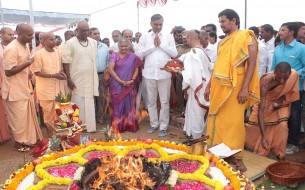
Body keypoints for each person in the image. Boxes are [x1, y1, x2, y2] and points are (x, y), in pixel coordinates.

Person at [204, 9, 259, 172]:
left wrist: (244, 89)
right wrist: (208, 85)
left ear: (234, 20)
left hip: (236, 86)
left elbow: (253, 64)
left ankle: (238, 159)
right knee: (218, 121)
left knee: (234, 124)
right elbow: (218, 65)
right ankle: (221, 155)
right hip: (218, 86)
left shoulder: (247, 37)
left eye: (223, 21)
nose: (220, 24)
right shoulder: (222, 42)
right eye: (219, 21)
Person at [2, 23, 43, 151]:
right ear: (18, 34)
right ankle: (19, 144)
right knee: (18, 119)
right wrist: (28, 63)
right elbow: (8, 71)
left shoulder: (25, 45)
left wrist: (29, 72)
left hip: (24, 88)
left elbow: (24, 64)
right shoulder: (11, 49)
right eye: (29, 35)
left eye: (32, 34)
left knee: (25, 118)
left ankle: (28, 141)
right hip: (13, 90)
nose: (32, 37)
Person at [246, 62, 299, 159]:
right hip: (265, 103)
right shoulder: (265, 82)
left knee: (282, 126)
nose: (282, 81)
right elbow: (261, 110)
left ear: (289, 75)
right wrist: (264, 136)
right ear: (274, 72)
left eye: (285, 78)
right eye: (279, 78)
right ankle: (259, 146)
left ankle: (279, 154)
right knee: (252, 127)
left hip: (281, 104)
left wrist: (279, 101)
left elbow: (290, 93)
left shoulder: (293, 74)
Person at [136, 14, 178, 137]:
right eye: (156, 24)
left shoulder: (168, 37)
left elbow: (174, 53)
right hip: (149, 74)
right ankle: (154, 124)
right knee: (151, 101)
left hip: (164, 74)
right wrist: (152, 46)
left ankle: (163, 126)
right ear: (151, 24)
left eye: (160, 24)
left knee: (165, 101)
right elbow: (139, 54)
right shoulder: (144, 37)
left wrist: (161, 45)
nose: (158, 26)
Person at [271, 22, 305, 155]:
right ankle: (279, 140)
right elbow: (274, 67)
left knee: (295, 116)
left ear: (291, 32)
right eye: (280, 29)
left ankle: (293, 143)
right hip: (279, 89)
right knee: (280, 114)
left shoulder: (301, 48)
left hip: (296, 88)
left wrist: (293, 75)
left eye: (283, 30)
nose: (280, 32)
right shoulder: (278, 48)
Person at [62, 21, 98, 132]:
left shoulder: (93, 42)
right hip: (76, 78)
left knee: (89, 101)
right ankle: (78, 128)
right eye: (83, 31)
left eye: (88, 30)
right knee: (78, 102)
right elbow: (66, 62)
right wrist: (68, 79)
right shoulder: (70, 43)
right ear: (77, 30)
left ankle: (90, 127)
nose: (86, 33)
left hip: (90, 77)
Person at [32, 32, 67, 137]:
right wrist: (54, 75)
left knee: (60, 112)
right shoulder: (38, 54)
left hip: (58, 88)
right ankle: (51, 134)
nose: (54, 41)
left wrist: (61, 74)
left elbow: (60, 68)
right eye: (51, 39)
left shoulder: (57, 52)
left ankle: (61, 134)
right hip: (46, 89)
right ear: (43, 41)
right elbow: (37, 72)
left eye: (55, 39)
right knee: (48, 114)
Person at [178, 30, 211, 139]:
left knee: (195, 115)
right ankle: (198, 138)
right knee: (199, 115)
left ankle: (196, 142)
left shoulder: (193, 53)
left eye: (186, 38)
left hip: (197, 88)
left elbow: (190, 76)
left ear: (190, 38)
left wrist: (178, 71)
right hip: (204, 86)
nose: (186, 41)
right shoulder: (202, 51)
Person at [108, 38, 143, 133]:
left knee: (129, 104)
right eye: (121, 46)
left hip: (129, 84)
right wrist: (120, 81)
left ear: (129, 46)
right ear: (118, 46)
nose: (123, 48)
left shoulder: (133, 56)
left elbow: (136, 69)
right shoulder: (114, 55)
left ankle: (130, 125)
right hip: (116, 84)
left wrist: (132, 80)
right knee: (117, 105)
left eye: (126, 46)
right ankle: (118, 126)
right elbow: (110, 69)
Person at [89, 27, 109, 125]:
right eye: (94, 33)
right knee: (91, 97)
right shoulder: (86, 46)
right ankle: (91, 118)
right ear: (89, 35)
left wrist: (106, 74)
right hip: (89, 76)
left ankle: (100, 117)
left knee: (102, 97)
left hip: (102, 75)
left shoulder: (104, 47)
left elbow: (108, 61)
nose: (97, 35)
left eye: (98, 33)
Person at [0, 27, 14, 143]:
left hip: (12, 82)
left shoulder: (16, 47)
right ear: (1, 35)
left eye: (12, 34)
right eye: (9, 34)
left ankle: (8, 133)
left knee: (10, 109)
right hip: (2, 80)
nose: (12, 36)